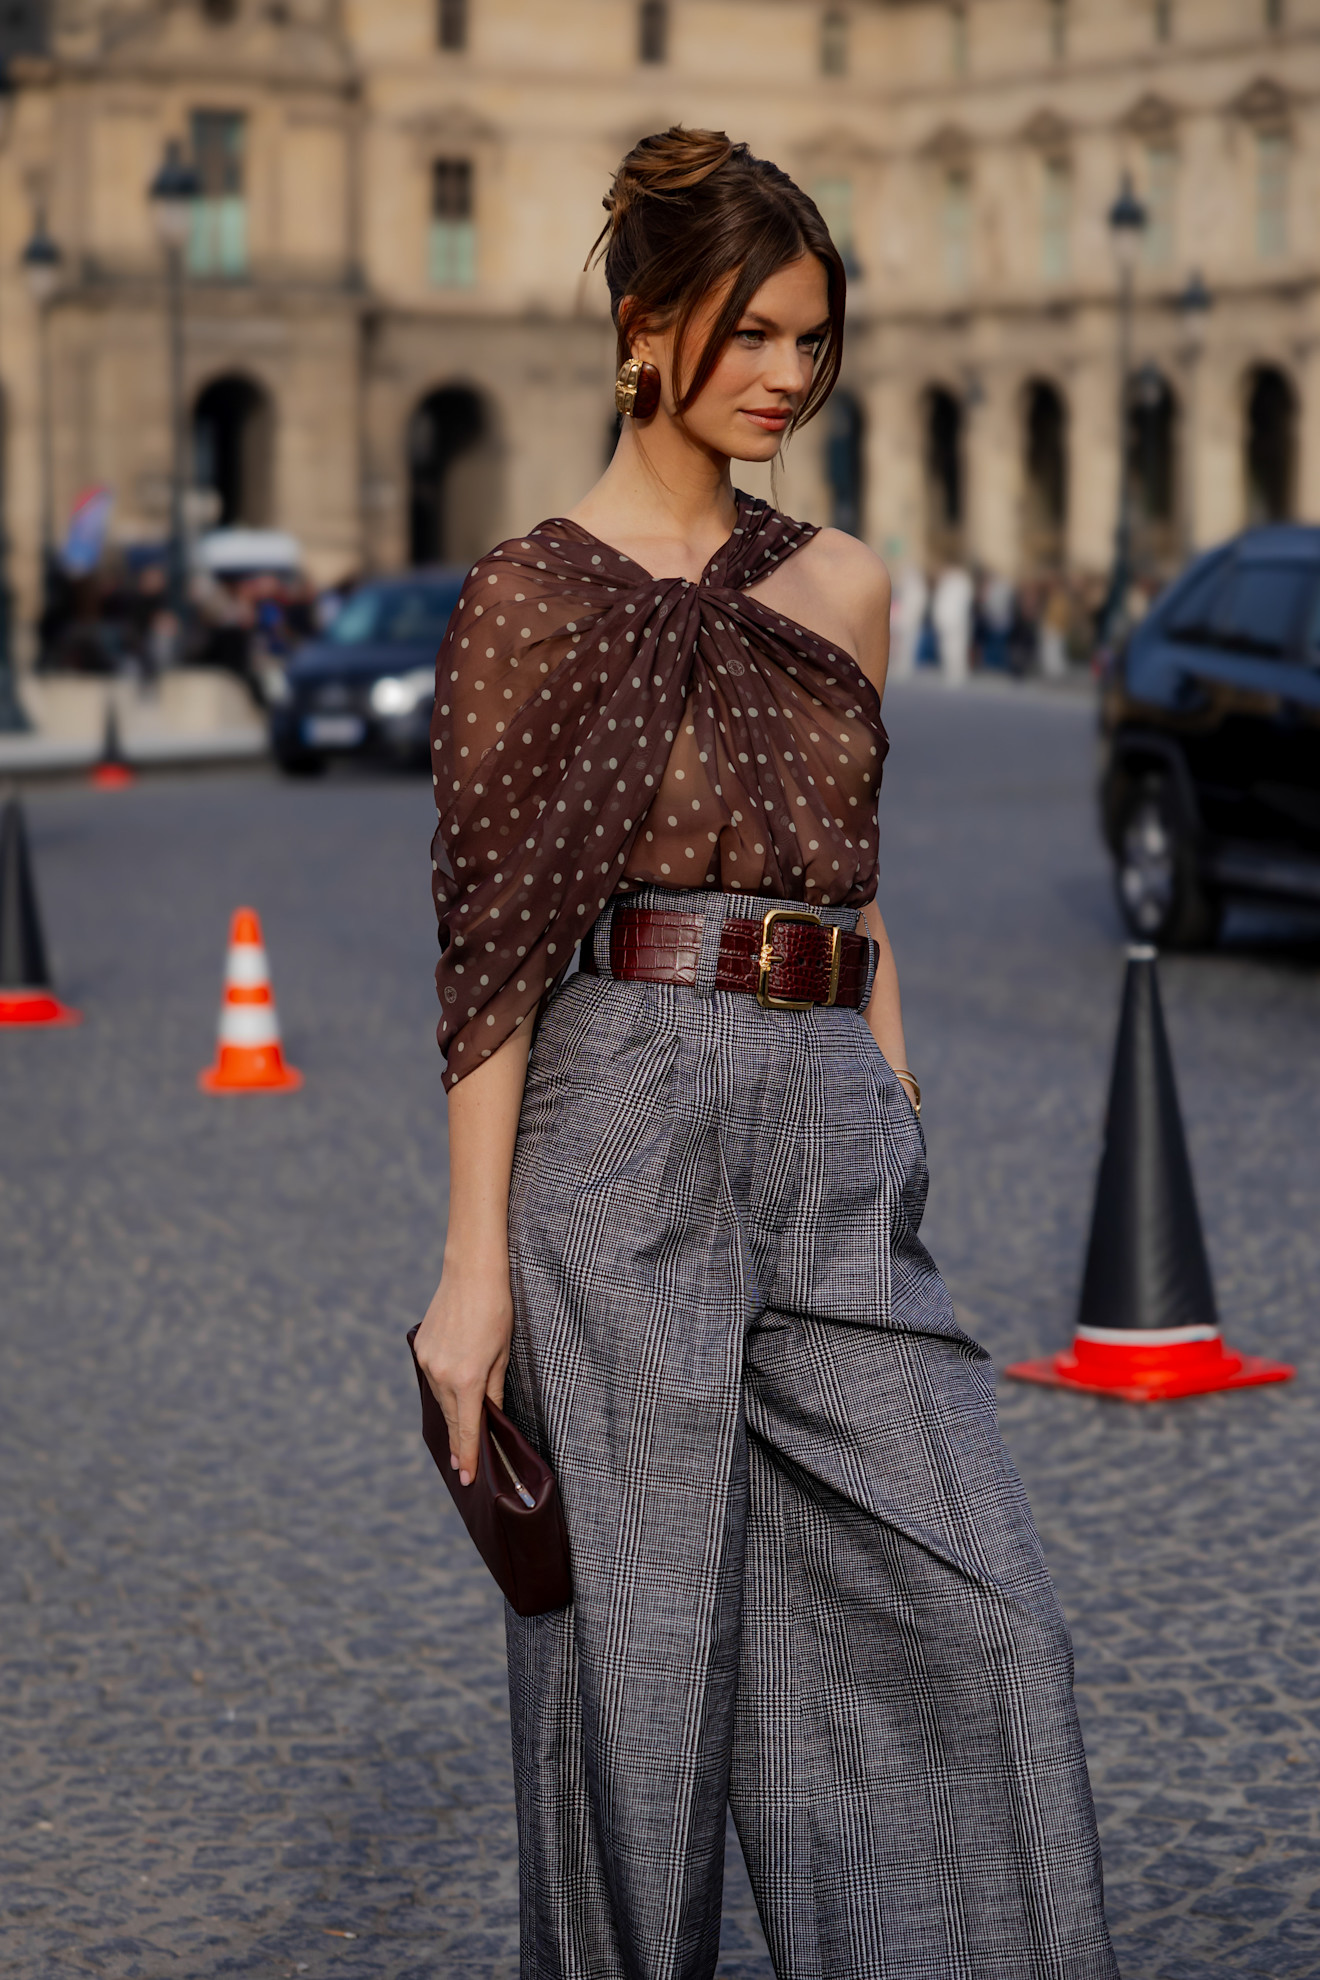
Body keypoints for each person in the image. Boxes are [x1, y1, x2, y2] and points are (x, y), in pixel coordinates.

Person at [414, 128, 1117, 1980]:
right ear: (648, 333)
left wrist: (895, 1099)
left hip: (826, 1113)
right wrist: (471, 1277)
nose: (790, 378)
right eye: (756, 336)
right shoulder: (524, 594)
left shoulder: (852, 590)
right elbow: (490, 956)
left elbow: (861, 889)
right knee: (639, 1682)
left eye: (814, 341)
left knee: (988, 1625)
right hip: (617, 1112)